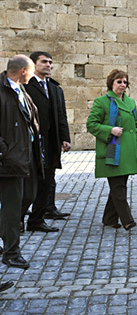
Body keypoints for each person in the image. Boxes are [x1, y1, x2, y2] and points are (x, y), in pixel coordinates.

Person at [86, 69, 137, 230]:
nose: (122, 85)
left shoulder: (131, 102)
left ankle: (109, 218)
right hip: (113, 151)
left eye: (125, 82)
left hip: (128, 150)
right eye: (119, 81)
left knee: (119, 184)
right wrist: (110, 130)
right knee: (118, 187)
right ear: (111, 83)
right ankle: (127, 220)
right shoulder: (102, 102)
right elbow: (91, 124)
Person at [0, 55, 42, 269]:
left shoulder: (21, 90)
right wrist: (5, 151)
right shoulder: (2, 92)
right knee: (12, 208)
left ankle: (4, 231)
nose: (34, 75)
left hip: (27, 157)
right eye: (32, 71)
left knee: (29, 195)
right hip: (9, 161)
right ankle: (11, 252)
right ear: (24, 71)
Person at [24, 52, 71, 233]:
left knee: (47, 180)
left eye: (50, 62)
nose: (49, 65)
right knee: (29, 183)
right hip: (32, 142)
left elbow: (61, 116)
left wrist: (64, 138)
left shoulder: (55, 88)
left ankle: (37, 218)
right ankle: (19, 218)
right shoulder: (25, 86)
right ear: (33, 65)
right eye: (44, 62)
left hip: (51, 143)